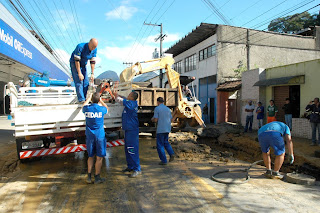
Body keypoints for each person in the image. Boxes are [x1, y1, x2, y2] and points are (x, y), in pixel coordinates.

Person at [82, 92, 109, 184]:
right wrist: (101, 101)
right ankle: (97, 177)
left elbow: (83, 106)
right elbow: (107, 108)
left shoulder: (87, 109)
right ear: (98, 100)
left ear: (91, 100)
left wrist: (88, 99)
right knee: (99, 157)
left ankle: (89, 176)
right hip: (100, 136)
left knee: (90, 156)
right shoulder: (101, 109)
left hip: (90, 136)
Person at [115, 91, 141, 177]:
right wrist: (119, 95)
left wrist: (114, 95)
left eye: (129, 95)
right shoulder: (130, 102)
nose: (128, 95)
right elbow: (124, 98)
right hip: (128, 130)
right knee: (127, 149)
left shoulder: (131, 104)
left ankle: (137, 169)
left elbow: (120, 100)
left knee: (132, 149)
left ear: (132, 97)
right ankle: (130, 166)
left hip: (132, 130)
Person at [70, 38, 98, 103]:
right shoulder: (80, 47)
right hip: (75, 63)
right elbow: (77, 61)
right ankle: (81, 99)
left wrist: (92, 73)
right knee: (79, 81)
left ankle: (84, 98)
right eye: (92, 47)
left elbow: (92, 62)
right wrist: (79, 73)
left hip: (83, 64)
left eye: (95, 47)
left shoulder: (94, 50)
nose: (93, 48)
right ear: (89, 43)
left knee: (86, 82)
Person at [151, 97, 175, 165]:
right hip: (167, 129)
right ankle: (171, 153)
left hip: (160, 129)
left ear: (158, 102)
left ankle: (164, 161)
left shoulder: (157, 108)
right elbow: (171, 119)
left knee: (160, 145)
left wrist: (152, 120)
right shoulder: (168, 109)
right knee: (166, 142)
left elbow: (155, 119)